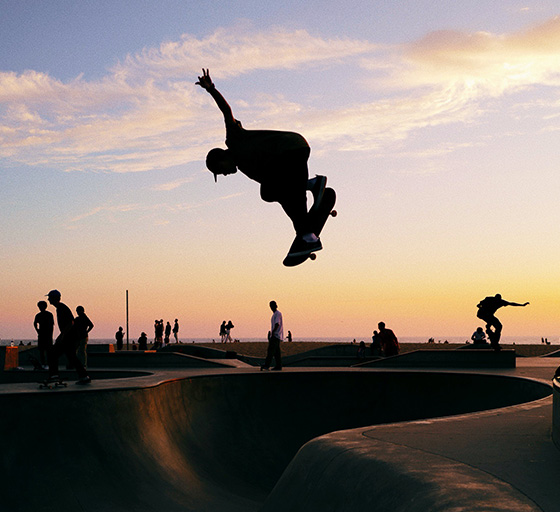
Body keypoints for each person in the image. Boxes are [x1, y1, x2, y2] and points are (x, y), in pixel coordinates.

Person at [196, 69, 329, 259]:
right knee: (271, 192)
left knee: (286, 195)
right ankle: (311, 188)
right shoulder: (247, 169)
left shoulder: (234, 140)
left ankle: (309, 236)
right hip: (294, 152)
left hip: (289, 150)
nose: (225, 174)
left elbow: (226, 111)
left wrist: (211, 89)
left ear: (221, 158)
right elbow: (283, 194)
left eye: (221, 170)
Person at [45, 290, 91, 385]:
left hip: (69, 337)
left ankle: (54, 375)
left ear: (54, 298)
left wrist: (62, 335)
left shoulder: (62, 308)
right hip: (70, 337)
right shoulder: (60, 308)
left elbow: (71, 322)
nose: (48, 299)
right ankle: (84, 376)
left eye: (50, 297)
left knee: (52, 354)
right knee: (72, 357)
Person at [261, 301, 283, 371]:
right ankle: (278, 366)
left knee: (270, 351)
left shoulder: (277, 314)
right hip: (275, 335)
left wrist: (273, 332)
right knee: (276, 352)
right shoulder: (274, 314)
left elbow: (277, 324)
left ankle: (267, 365)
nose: (271, 307)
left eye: (272, 306)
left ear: (275, 306)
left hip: (275, 335)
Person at [33, 300, 54, 367]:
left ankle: (48, 363)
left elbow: (51, 325)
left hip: (47, 335)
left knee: (48, 351)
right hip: (42, 334)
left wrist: (50, 334)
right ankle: (43, 363)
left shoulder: (48, 315)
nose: (40, 308)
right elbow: (35, 323)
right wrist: (38, 330)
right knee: (42, 351)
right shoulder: (39, 315)